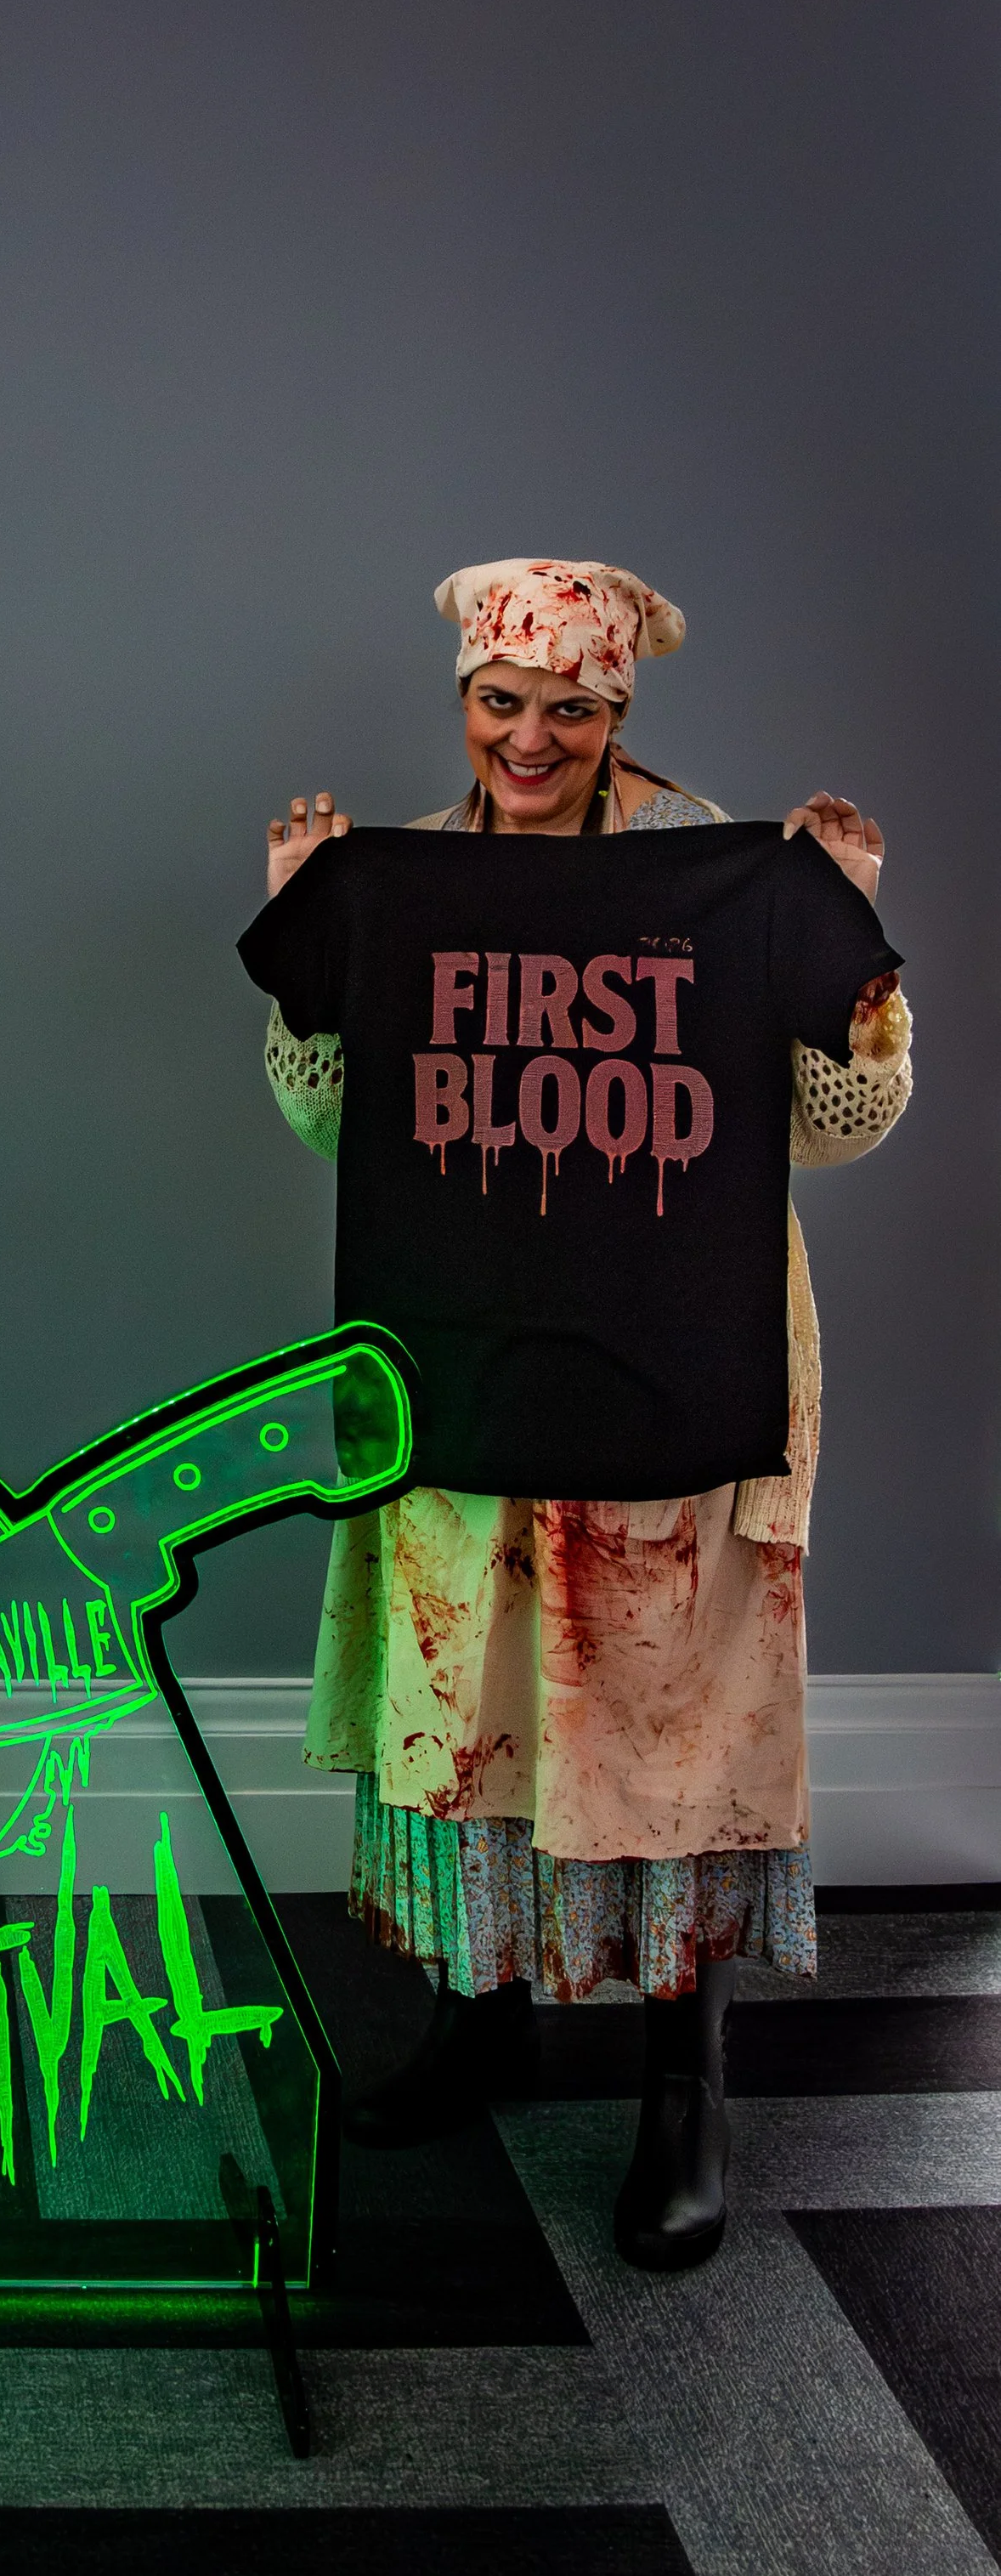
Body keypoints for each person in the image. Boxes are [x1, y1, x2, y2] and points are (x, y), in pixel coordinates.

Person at [257, 558, 910, 2267]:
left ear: (619, 708)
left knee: (666, 1727)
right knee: (470, 1700)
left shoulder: (714, 865)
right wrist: (305, 942)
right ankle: (480, 2015)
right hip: (468, 1359)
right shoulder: (406, 871)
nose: (527, 735)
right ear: (458, 698)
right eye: (498, 699)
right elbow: (343, 1128)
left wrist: (845, 944)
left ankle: (679, 2083)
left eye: (568, 705)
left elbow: (833, 1123)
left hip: (676, 1368)